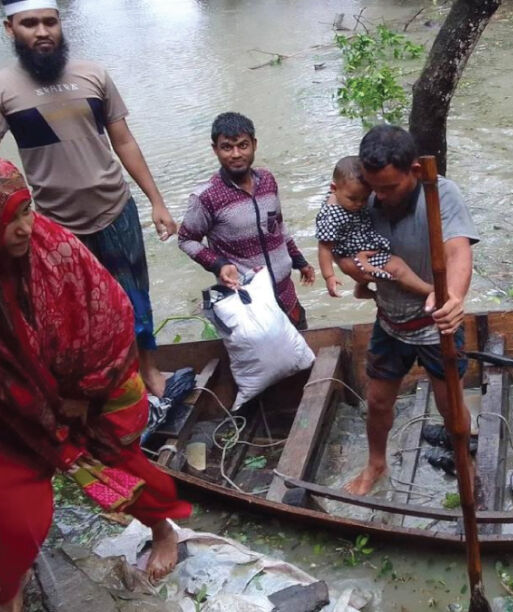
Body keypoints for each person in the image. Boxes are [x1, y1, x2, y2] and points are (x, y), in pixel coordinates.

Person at [0, 159, 191, 612]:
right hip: (16, 409)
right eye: (10, 220)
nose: (25, 228)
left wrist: (82, 394)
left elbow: (112, 315)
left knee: (122, 465)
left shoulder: (56, 250)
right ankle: (10, 586)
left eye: (27, 210)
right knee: (13, 511)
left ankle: (162, 529)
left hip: (92, 385)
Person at [0, 0, 177, 398]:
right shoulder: (4, 88)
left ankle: (149, 372)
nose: (42, 31)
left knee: (135, 297)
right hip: (55, 226)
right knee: (77, 315)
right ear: (10, 29)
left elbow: (124, 141)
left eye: (50, 21)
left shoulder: (93, 74)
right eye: (30, 23)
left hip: (115, 208)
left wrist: (157, 201)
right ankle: (104, 388)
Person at [342, 125, 478, 496]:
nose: (380, 197)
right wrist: (353, 269)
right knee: (377, 401)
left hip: (435, 322)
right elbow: (337, 242)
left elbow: (458, 250)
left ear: (414, 171)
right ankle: (376, 463)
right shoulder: (363, 195)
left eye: (389, 188)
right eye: (375, 188)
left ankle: (464, 460)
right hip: (390, 320)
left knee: (450, 406)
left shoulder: (441, 193)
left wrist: (454, 297)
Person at [178, 112, 315, 330]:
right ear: (215, 150)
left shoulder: (267, 181)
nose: (236, 154)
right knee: (259, 350)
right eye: (227, 147)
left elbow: (278, 227)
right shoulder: (206, 196)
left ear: (254, 145)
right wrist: (219, 264)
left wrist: (300, 262)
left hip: (286, 295)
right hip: (248, 304)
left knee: (302, 344)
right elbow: (186, 239)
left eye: (243, 145)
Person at [315, 155, 434, 299]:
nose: (359, 204)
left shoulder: (343, 193)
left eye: (365, 198)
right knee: (397, 267)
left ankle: (361, 288)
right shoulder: (331, 218)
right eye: (353, 199)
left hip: (362, 240)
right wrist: (329, 276)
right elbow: (324, 249)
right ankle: (430, 290)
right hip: (354, 251)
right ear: (333, 188)